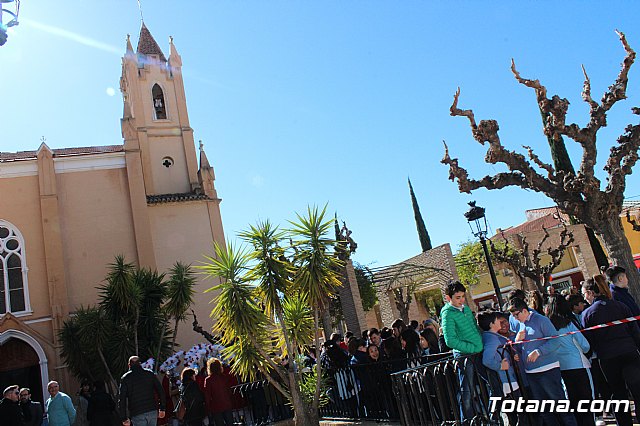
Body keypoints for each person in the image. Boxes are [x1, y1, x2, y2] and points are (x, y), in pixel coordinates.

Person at [508, 298, 577, 426]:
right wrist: (516, 343)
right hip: (531, 372)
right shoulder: (521, 324)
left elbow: (555, 341)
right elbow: (521, 348)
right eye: (513, 316)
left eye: (516, 315)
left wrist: (539, 352)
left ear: (524, 310)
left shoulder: (541, 320)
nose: (515, 319)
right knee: (544, 410)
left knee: (560, 406)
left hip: (548, 370)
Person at [582, 278, 640, 426]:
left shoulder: (588, 314)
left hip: (608, 357)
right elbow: (635, 331)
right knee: (637, 390)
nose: (584, 298)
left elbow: (589, 341)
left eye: (584, 295)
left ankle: (624, 423)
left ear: (590, 293)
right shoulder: (621, 306)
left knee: (618, 392)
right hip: (629, 352)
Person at [545, 296, 594, 426]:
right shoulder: (568, 323)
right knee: (587, 402)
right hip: (579, 364)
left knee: (572, 403)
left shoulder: (546, 327)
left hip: (561, 368)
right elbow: (585, 345)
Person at [441, 281, 483, 423]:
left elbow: (475, 327)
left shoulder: (465, 308)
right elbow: (450, 341)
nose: (461, 300)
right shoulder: (447, 314)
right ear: (449, 298)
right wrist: (472, 348)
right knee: (467, 390)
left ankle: (488, 415)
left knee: (484, 384)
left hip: (477, 351)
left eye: (462, 296)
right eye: (458, 297)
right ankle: (467, 420)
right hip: (464, 355)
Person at [118, 356, 166, 426]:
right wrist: (162, 408)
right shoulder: (149, 374)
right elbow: (160, 391)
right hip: (152, 410)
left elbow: (122, 399)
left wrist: (124, 418)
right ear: (140, 363)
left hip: (137, 412)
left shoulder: (126, 378)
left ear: (129, 365)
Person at [204, 358, 234, 426]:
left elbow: (207, 395)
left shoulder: (208, 380)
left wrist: (208, 407)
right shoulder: (224, 377)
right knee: (230, 423)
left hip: (216, 406)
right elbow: (229, 390)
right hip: (226, 404)